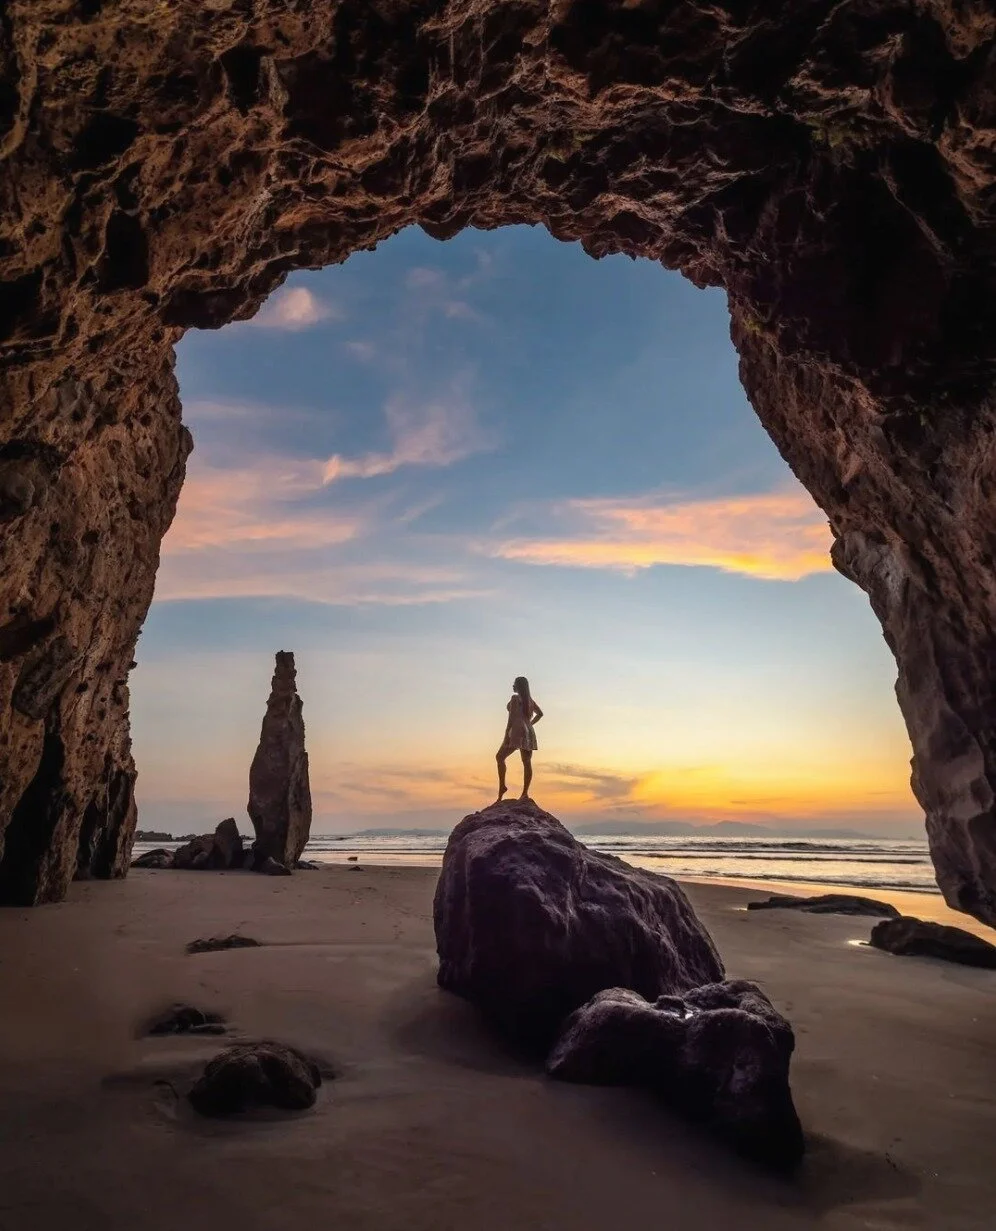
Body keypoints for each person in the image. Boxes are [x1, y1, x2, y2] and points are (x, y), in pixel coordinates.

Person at [496, 675, 543, 802]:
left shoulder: (515, 698)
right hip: (528, 731)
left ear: (518, 686)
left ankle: (502, 788)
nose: (512, 685)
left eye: (514, 683)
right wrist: (529, 725)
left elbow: (511, 718)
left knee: (500, 757)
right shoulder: (530, 700)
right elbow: (540, 714)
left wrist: (506, 734)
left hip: (516, 730)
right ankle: (525, 793)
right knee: (526, 762)